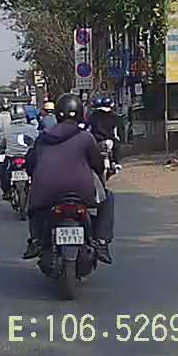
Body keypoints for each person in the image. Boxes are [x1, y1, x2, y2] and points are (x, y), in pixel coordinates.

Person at [22, 93, 114, 264]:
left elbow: (31, 164)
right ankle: (101, 242)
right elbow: (98, 165)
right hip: (82, 191)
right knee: (108, 198)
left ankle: (35, 241)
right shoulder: (86, 137)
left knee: (33, 208)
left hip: (46, 192)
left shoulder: (43, 137)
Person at [86, 95, 123, 172]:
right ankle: (116, 163)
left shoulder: (94, 115)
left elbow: (89, 128)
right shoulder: (113, 115)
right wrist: (116, 137)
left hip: (97, 140)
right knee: (116, 145)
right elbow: (115, 129)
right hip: (109, 140)